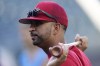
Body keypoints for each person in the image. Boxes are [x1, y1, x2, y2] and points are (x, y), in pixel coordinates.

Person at [19, 1, 91, 66]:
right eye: (31, 24)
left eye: (38, 23)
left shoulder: (63, 60)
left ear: (56, 28)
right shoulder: (69, 55)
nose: (31, 28)